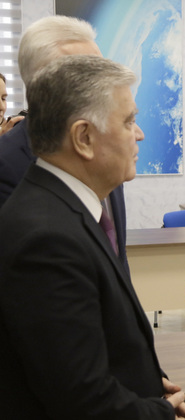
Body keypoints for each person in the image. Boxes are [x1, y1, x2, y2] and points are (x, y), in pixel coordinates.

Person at [0, 55, 185, 419]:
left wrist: (147, 382)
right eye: (129, 121)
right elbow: (82, 399)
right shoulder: (46, 240)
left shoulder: (65, 209)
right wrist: (159, 413)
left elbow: (87, 348)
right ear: (84, 138)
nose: (139, 134)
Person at [0, 15, 129, 273]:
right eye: (89, 77)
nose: (104, 86)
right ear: (45, 87)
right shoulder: (6, 165)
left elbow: (116, 259)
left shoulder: (105, 152)